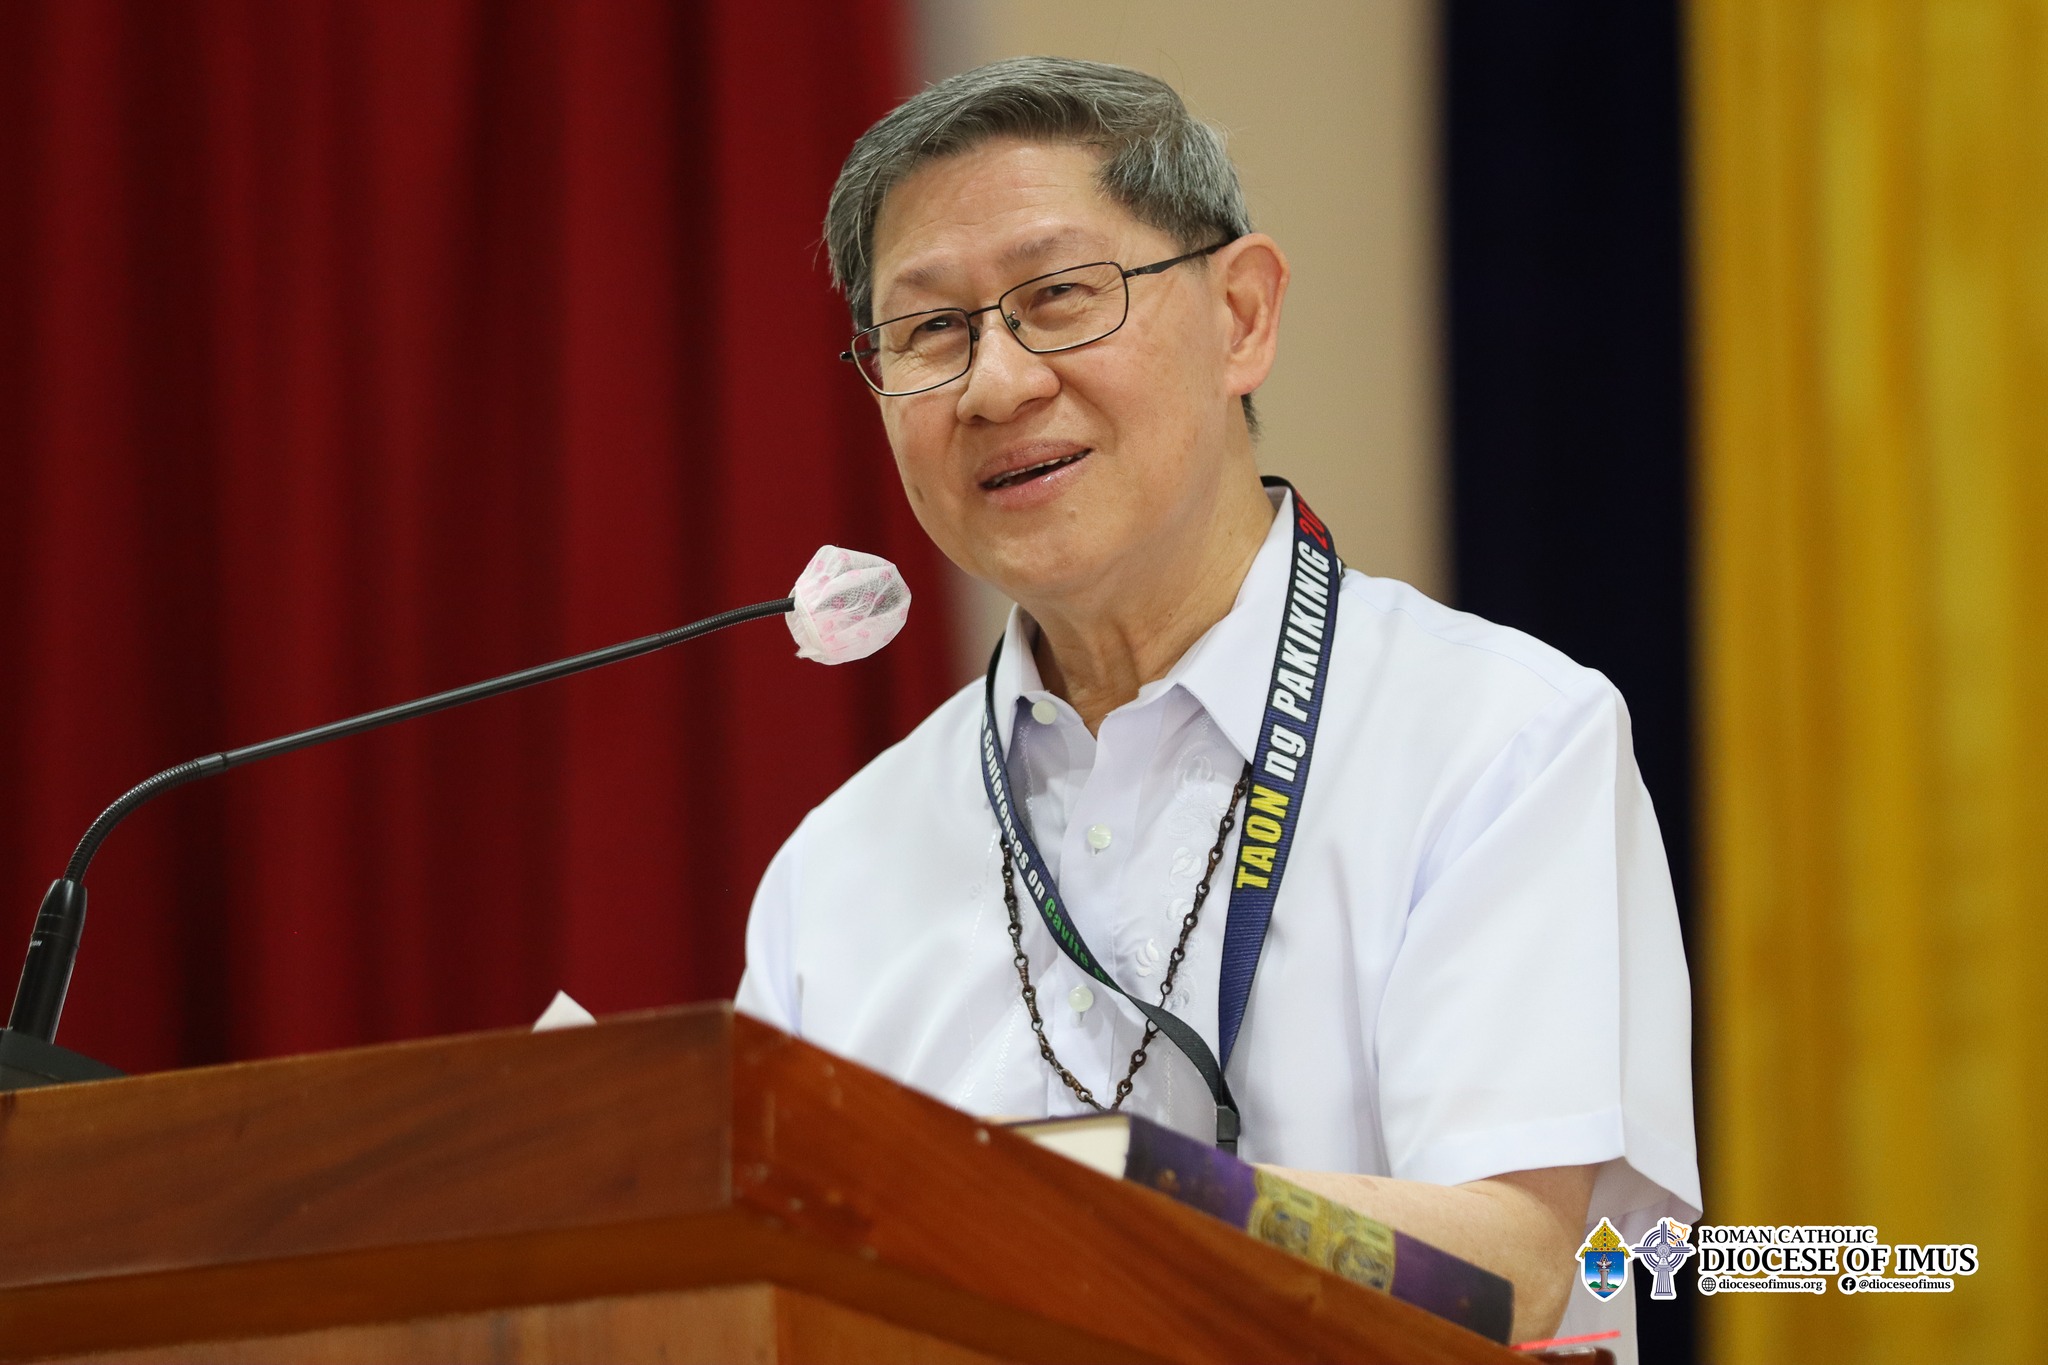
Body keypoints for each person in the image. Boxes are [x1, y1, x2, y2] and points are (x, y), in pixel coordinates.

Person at [737, 56, 1699, 1353]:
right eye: (930, 331)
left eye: (1058, 297)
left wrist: (1064, 1198)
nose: (997, 383)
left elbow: (1523, 1262)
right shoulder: (837, 870)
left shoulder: (1501, 739)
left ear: (1242, 315)